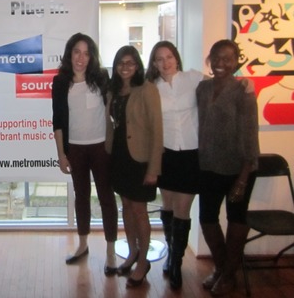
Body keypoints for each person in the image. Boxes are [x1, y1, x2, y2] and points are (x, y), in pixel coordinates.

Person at [51, 33, 118, 275]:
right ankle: (82, 244)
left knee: (106, 197)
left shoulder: (102, 77)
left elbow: (114, 109)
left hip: (101, 146)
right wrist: (61, 154)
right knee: (81, 197)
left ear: (92, 56)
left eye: (86, 52)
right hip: (75, 148)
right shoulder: (60, 82)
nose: (81, 57)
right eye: (77, 52)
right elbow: (57, 121)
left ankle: (111, 251)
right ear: (70, 54)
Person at [197, 39, 260, 296]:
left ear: (237, 62)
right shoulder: (202, 88)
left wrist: (243, 178)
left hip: (239, 168)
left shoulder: (244, 92)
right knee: (208, 219)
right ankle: (223, 268)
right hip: (209, 166)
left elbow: (250, 135)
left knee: (236, 219)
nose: (221, 63)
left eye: (228, 58)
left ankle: (228, 274)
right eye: (217, 58)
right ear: (210, 60)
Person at [145, 41, 205, 289]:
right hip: (166, 154)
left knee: (183, 210)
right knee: (168, 207)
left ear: (176, 58)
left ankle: (177, 263)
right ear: (154, 63)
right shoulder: (152, 88)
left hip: (192, 154)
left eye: (168, 57)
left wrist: (244, 82)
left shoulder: (193, 78)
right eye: (159, 59)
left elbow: (223, 84)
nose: (165, 62)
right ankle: (171, 253)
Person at [106, 45, 163, 288]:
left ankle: (143, 262)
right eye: (121, 63)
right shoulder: (113, 91)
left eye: (130, 63)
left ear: (138, 66)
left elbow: (158, 130)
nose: (125, 67)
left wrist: (153, 168)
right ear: (116, 66)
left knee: (139, 210)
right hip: (118, 156)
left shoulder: (147, 89)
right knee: (126, 207)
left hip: (140, 160)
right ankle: (132, 252)